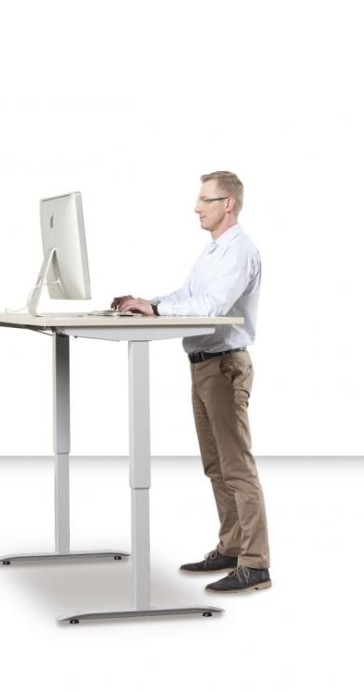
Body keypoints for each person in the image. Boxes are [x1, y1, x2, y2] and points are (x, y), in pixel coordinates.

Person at [111, 170, 271, 593]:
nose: (197, 207)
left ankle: (255, 565)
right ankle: (232, 547)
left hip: (225, 367)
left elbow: (212, 306)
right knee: (216, 466)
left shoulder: (239, 252)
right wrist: (148, 303)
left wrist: (156, 311)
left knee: (236, 466)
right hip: (202, 365)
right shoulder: (212, 252)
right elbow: (187, 297)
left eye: (205, 200)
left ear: (228, 204)